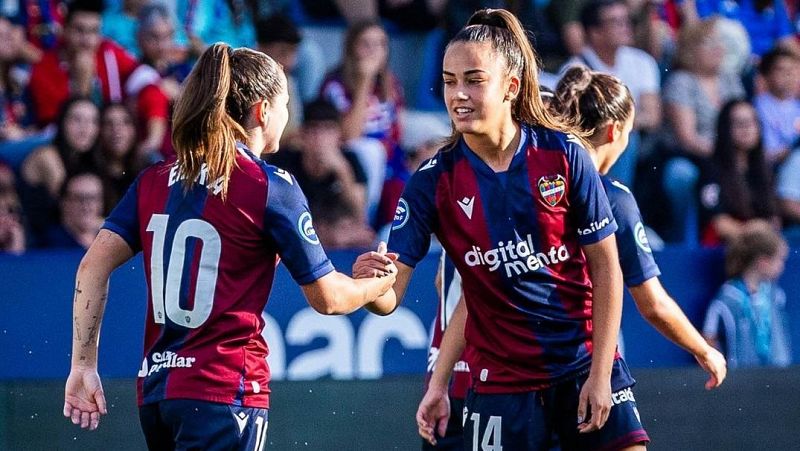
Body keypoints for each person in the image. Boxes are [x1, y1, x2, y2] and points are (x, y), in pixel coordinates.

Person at [63, 44, 398, 449]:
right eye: (285, 104)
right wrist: (375, 286)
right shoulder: (268, 185)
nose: (288, 116)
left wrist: (83, 364)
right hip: (225, 391)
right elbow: (328, 298)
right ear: (262, 111)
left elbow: (91, 268)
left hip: (158, 394)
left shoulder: (155, 179)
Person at [355, 9, 647, 451]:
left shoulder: (563, 153)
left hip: (581, 366)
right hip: (500, 390)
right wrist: (372, 286)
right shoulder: (432, 182)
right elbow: (392, 297)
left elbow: (606, 269)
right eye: (450, 81)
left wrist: (601, 373)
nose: (458, 95)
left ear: (511, 86)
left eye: (474, 80)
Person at [552, 65, 726, 389]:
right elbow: (652, 302)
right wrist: (704, 349)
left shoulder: (531, 185)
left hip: (517, 364)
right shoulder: (612, 198)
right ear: (614, 131)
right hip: (586, 362)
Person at [702, 220, 791, 368]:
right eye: (779, 260)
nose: (782, 266)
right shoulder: (727, 299)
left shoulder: (776, 295)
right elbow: (709, 338)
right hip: (741, 382)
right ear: (763, 262)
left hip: (778, 378)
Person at [695, 99, 780, 246]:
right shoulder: (711, 169)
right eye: (739, 123)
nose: (746, 128)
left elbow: (773, 219)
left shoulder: (764, 170)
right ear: (725, 128)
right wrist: (756, 234)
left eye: (751, 122)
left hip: (761, 246)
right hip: (725, 247)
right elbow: (717, 223)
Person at [752, 48, 800, 165]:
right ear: (766, 75)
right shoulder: (758, 107)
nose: (789, 75)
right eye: (781, 70)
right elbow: (767, 153)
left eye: (793, 69)